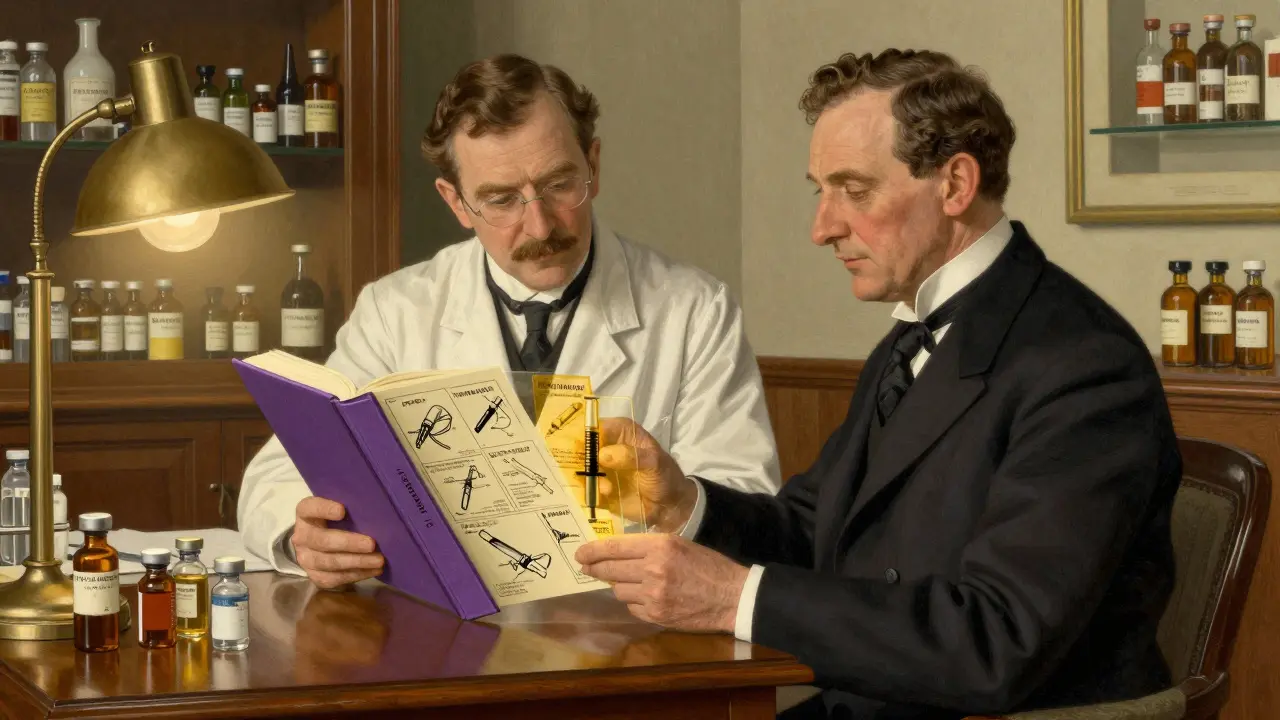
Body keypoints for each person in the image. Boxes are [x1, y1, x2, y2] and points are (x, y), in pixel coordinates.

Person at [577, 48, 1180, 719]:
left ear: (954, 185)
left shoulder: (1085, 367)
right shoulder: (911, 335)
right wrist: (683, 503)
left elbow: (995, 642)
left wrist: (731, 598)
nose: (822, 227)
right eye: (820, 190)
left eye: (854, 191)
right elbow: (816, 529)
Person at [238, 53, 782, 589]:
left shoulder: (695, 310)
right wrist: (302, 534)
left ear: (593, 164)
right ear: (455, 202)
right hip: (446, 631)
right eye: (501, 200)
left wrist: (678, 500)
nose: (540, 224)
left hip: (632, 632)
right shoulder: (395, 311)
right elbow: (277, 474)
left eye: (559, 185)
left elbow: (750, 503)